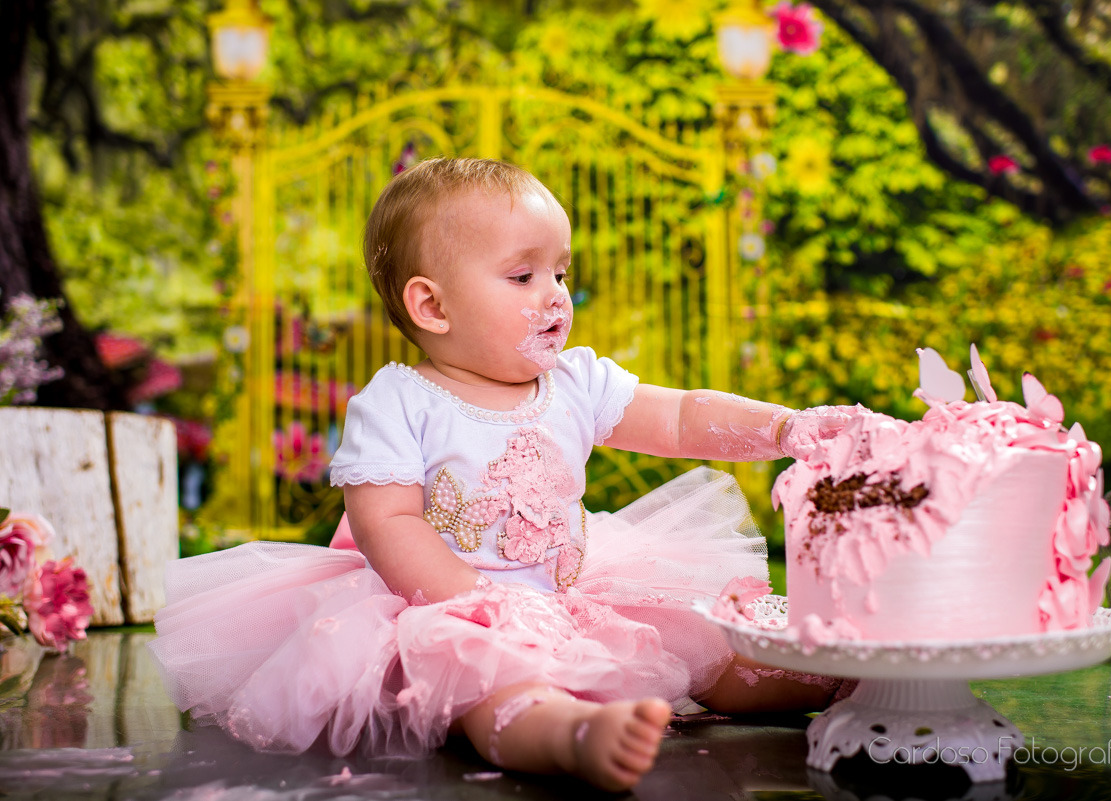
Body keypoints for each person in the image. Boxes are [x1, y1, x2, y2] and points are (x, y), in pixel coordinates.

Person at [150, 157, 859, 792]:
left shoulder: (574, 382)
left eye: (560, 273)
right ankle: (567, 736)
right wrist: (481, 604)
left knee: (707, 650)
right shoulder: (401, 401)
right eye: (524, 276)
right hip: (447, 606)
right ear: (433, 305)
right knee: (491, 684)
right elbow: (386, 523)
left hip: (575, 590)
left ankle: (844, 680)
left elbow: (680, 416)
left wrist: (783, 427)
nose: (555, 295)